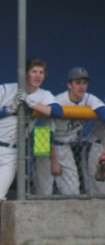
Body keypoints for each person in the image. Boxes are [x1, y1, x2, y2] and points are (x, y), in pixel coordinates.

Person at [0, 58, 62, 245]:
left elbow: (56, 111)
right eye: (34, 71)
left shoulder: (44, 95)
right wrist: (8, 110)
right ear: (26, 73)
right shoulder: (5, 89)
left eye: (41, 72)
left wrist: (30, 103)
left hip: (11, 151)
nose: (37, 76)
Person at [33, 67, 105, 195]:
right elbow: (46, 133)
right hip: (43, 141)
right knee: (44, 191)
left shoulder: (89, 99)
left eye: (84, 83)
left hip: (65, 144)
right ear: (69, 85)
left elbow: (103, 114)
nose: (82, 87)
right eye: (78, 83)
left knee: (72, 191)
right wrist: (54, 162)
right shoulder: (59, 100)